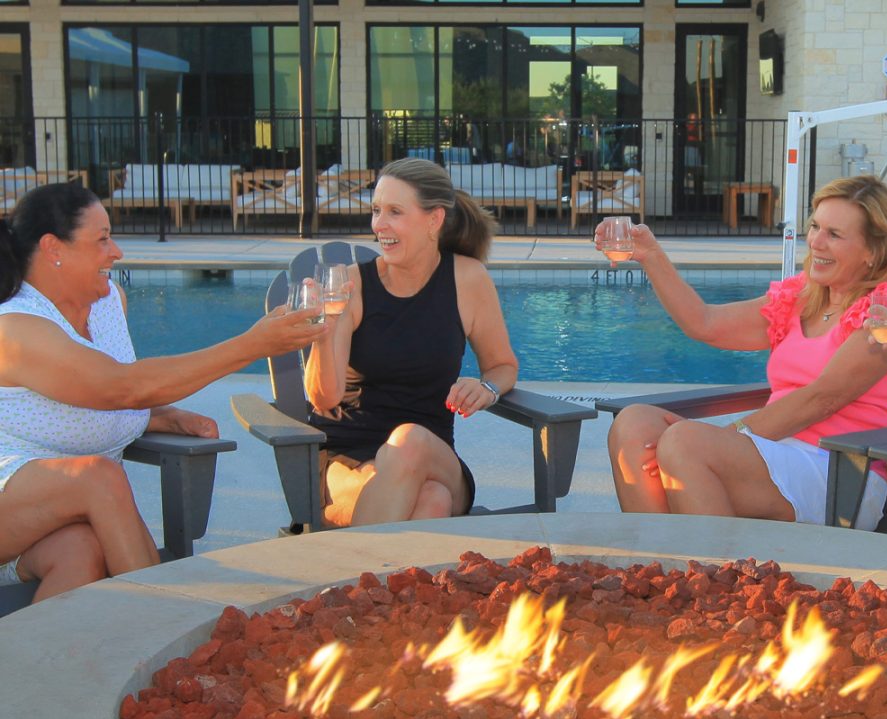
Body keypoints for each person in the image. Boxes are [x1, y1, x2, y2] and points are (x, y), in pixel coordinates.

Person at [0, 181, 326, 602]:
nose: (116, 251)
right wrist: (253, 344)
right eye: (102, 240)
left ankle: (41, 665)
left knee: (82, 553)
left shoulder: (108, 304)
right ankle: (170, 619)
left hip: (63, 523)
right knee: (99, 477)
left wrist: (158, 414)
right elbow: (121, 387)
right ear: (53, 248)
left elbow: (87, 394)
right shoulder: (16, 328)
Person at [596, 174, 887, 530]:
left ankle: (716, 576)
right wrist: (651, 256)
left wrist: (725, 438)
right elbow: (705, 323)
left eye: (834, 234)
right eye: (815, 226)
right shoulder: (798, 299)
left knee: (685, 443)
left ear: (872, 251)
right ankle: (664, 567)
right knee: (633, 424)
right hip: (770, 449)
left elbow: (822, 399)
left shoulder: (885, 312)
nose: (816, 242)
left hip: (843, 469)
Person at [304, 157, 518, 528]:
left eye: (394, 212)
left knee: (410, 441)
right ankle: (380, 581)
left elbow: (502, 366)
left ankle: (348, 579)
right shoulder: (351, 286)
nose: (379, 225)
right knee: (431, 502)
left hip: (432, 454)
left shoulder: (467, 279)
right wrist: (325, 329)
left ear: (433, 220)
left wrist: (486, 388)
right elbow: (324, 398)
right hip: (347, 458)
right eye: (375, 211)